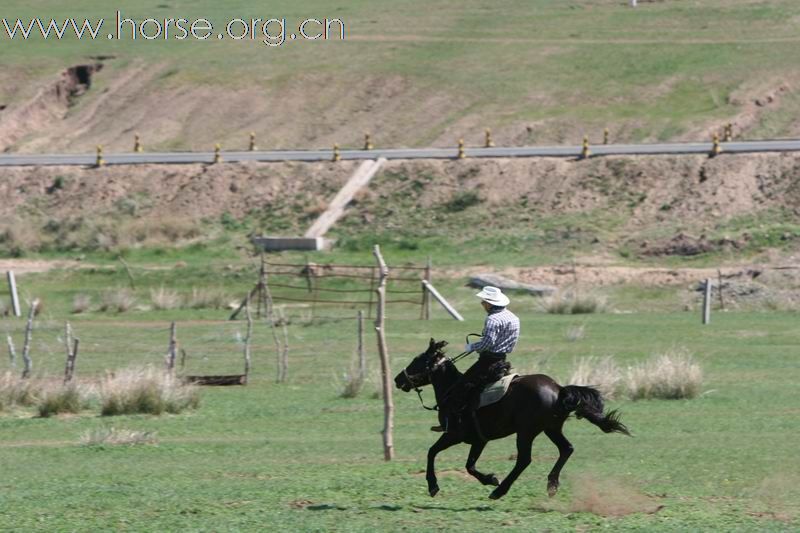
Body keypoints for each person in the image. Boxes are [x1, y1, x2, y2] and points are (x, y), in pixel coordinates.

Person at [432, 286, 520, 433]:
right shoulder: (513, 317)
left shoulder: (492, 319)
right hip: (502, 360)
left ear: (490, 303)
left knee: (460, 387)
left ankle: (452, 424)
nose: (482, 304)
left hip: (488, 362)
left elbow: (488, 343)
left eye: (483, 301)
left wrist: (472, 346)